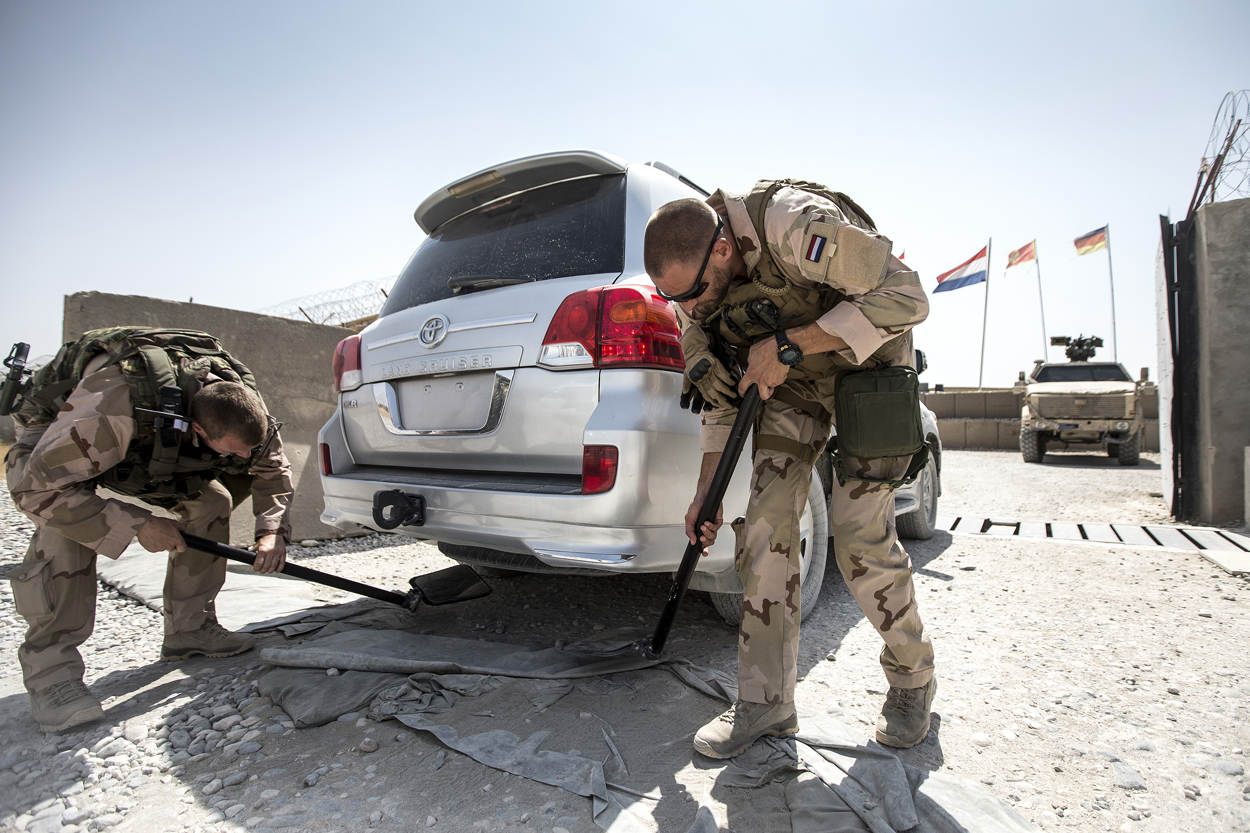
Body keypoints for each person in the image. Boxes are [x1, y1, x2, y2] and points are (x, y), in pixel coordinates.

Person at [643, 181, 936, 758]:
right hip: (791, 385)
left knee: (858, 532)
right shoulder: (694, 296)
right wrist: (705, 495)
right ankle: (766, 703)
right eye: (675, 298)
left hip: (867, 370)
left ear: (722, 248)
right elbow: (721, 401)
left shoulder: (790, 224)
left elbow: (908, 296)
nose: (690, 308)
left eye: (694, 292)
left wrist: (788, 344)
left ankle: (912, 678)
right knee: (766, 526)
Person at [6, 327, 293, 732]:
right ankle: (52, 676)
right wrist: (138, 523)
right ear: (198, 431)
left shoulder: (241, 406)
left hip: (150, 439)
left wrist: (271, 532)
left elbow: (273, 472)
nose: (244, 457)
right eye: (233, 451)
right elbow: (38, 490)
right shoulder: (111, 409)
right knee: (68, 526)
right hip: (58, 435)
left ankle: (190, 629)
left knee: (211, 503)